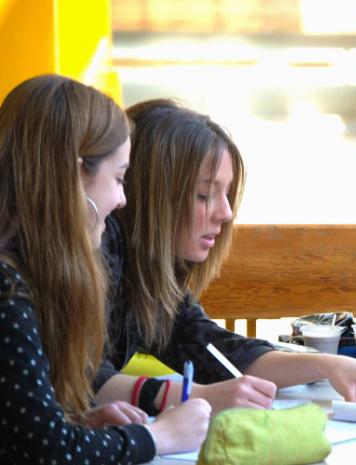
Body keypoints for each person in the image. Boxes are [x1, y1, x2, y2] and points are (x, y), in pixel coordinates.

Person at [92, 99, 356, 416]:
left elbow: (218, 350)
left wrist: (329, 365)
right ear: (152, 196)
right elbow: (84, 377)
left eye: (227, 193)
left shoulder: (157, 276)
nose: (226, 212)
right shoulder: (102, 251)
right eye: (204, 194)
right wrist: (196, 397)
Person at [0, 76, 210, 464]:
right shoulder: (7, 288)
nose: (122, 199)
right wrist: (158, 435)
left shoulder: (29, 273)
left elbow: (23, 430)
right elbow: (49, 451)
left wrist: (76, 422)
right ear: (75, 175)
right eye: (118, 178)